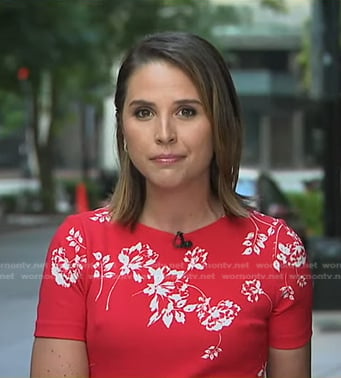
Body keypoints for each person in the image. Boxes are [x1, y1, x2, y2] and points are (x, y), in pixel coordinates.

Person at [30, 31, 313, 378]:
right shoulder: (79, 245)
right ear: (123, 126)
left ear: (220, 122)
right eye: (144, 112)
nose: (164, 133)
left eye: (187, 111)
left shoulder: (277, 251)